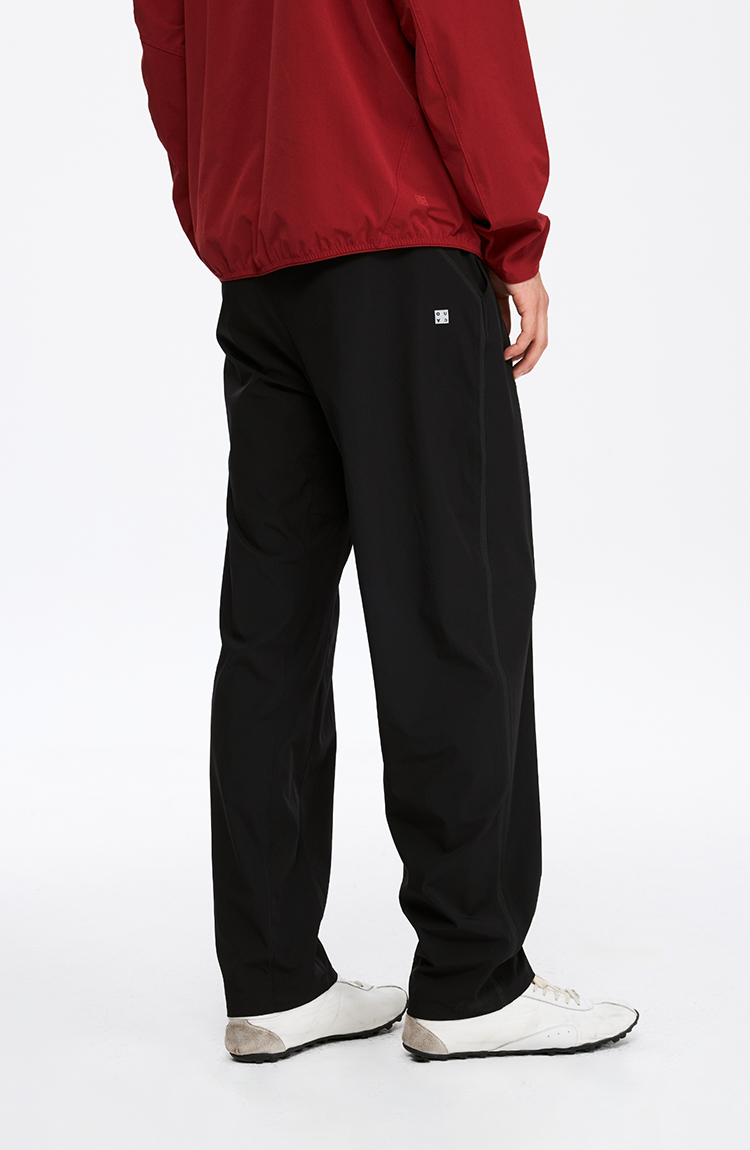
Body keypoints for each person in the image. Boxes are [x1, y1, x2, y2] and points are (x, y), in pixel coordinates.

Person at [132, 0, 638, 1062]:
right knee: (456, 599)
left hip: (262, 264)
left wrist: (228, 209)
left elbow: (169, 46)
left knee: (270, 625)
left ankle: (272, 979)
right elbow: (461, 27)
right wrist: (514, 234)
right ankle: (471, 979)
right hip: (399, 245)